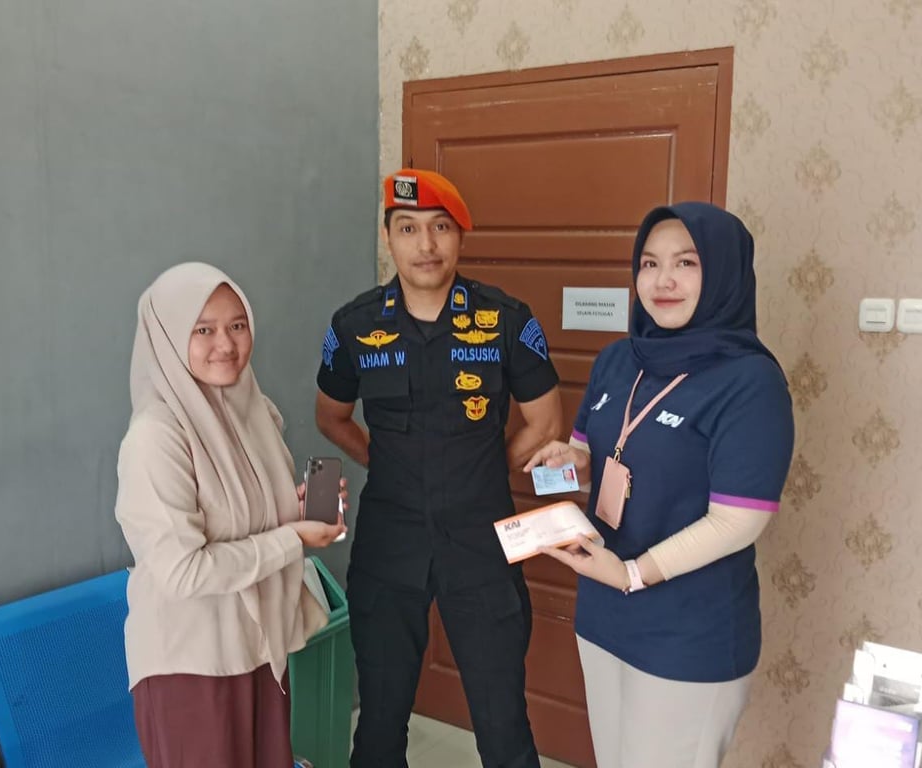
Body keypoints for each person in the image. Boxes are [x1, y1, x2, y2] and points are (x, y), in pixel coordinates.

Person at [525, 202, 794, 768]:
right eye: (649, 263)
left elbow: (738, 521)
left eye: (686, 263)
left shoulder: (750, 382)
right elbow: (592, 458)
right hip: (603, 613)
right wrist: (569, 463)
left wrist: (631, 573)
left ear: (722, 272)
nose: (662, 280)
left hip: (687, 632)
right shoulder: (618, 359)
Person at [315, 168, 563, 768]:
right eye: (408, 228)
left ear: (460, 236)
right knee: (379, 718)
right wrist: (386, 462)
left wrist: (483, 468)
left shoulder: (507, 320)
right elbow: (331, 417)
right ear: (388, 238)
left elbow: (545, 423)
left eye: (440, 228)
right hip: (390, 538)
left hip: (481, 537)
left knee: (502, 722)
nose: (425, 245)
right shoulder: (354, 325)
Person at [115, 262, 346, 768]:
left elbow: (245, 517)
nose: (226, 344)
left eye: (237, 325)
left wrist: (297, 510)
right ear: (168, 336)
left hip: (259, 650)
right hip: (192, 666)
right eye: (203, 329)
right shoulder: (156, 439)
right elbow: (183, 571)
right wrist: (292, 538)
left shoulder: (253, 412)